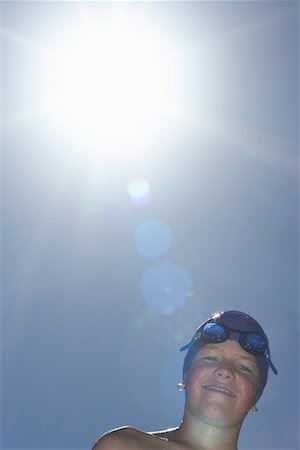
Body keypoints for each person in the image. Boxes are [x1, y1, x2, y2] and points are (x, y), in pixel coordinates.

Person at [92, 310, 278, 450]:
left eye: (244, 368)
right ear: (186, 378)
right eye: (210, 358)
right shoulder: (126, 446)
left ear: (255, 399)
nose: (224, 371)